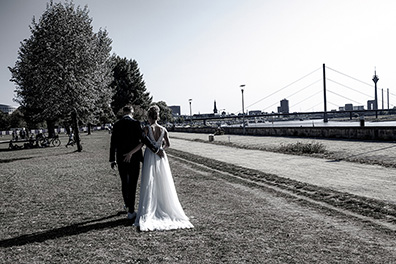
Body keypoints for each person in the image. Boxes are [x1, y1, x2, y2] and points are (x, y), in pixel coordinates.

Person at [124, 105, 194, 231]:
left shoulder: (146, 128)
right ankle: (164, 205)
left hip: (150, 157)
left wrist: (131, 153)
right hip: (161, 157)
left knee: (149, 182)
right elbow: (168, 144)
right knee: (163, 181)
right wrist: (160, 149)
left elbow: (141, 144)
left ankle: (150, 208)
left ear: (149, 116)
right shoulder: (163, 129)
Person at [109, 105, 163, 220]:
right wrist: (156, 149)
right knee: (132, 183)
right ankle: (131, 211)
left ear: (123, 112)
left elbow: (113, 142)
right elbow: (144, 139)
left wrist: (112, 159)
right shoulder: (135, 123)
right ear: (132, 112)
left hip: (121, 158)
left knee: (124, 182)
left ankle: (128, 206)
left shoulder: (117, 124)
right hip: (134, 158)